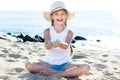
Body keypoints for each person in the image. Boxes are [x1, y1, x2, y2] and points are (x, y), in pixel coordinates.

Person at [25, 1, 90, 77]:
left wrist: (59, 44)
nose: (60, 16)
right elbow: (47, 46)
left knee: (86, 67)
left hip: (65, 65)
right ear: (52, 17)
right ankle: (60, 73)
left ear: (66, 16)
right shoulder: (47, 31)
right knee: (28, 65)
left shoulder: (69, 32)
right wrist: (50, 45)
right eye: (56, 14)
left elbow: (66, 45)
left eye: (62, 14)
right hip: (49, 64)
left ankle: (55, 73)